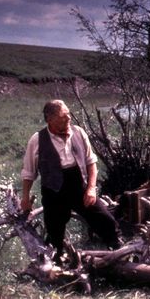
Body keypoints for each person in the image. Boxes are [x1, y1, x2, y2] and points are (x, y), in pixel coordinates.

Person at [20, 100, 121, 264]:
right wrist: (25, 197)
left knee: (106, 221)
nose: (69, 118)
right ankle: (56, 268)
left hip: (78, 186)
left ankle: (117, 254)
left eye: (68, 113)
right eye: (63, 116)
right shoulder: (37, 140)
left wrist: (91, 189)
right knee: (54, 235)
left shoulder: (78, 132)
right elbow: (28, 173)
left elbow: (91, 163)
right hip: (53, 192)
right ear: (50, 119)